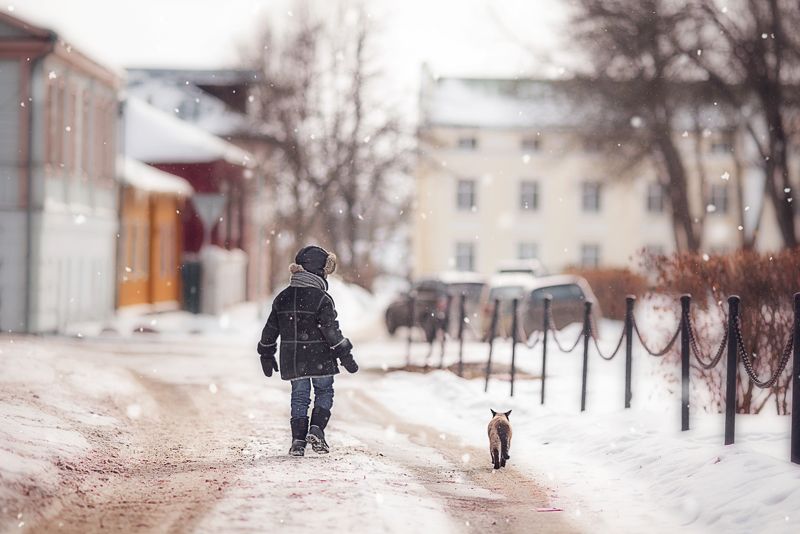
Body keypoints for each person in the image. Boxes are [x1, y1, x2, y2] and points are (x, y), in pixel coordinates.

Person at [257, 245, 359, 456]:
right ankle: (317, 429)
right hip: (321, 359)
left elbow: (270, 328)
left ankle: (297, 442)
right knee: (324, 391)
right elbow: (331, 331)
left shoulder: (283, 297)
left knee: (299, 397)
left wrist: (266, 352)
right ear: (319, 271)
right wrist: (345, 354)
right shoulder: (322, 299)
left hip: (294, 361)